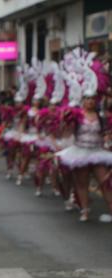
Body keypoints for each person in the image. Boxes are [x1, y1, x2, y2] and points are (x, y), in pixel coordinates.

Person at [57, 48, 112, 222]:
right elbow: (65, 131)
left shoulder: (101, 117)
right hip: (80, 152)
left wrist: (107, 140)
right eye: (87, 98)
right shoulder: (76, 115)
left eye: (92, 99)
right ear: (83, 100)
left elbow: (105, 133)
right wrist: (64, 122)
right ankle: (85, 210)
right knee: (82, 183)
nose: (90, 101)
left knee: (105, 182)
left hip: (96, 151)